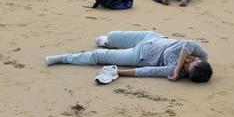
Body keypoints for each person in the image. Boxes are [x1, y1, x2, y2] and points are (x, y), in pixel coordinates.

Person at [45, 30, 212, 82]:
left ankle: (63, 58)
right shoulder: (200, 53)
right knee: (112, 35)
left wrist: (118, 72)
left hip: (139, 56)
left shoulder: (173, 71)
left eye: (187, 65)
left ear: (187, 73)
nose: (189, 59)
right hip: (152, 38)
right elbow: (188, 44)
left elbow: (146, 71)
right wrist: (179, 65)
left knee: (99, 56)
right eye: (193, 59)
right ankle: (109, 41)